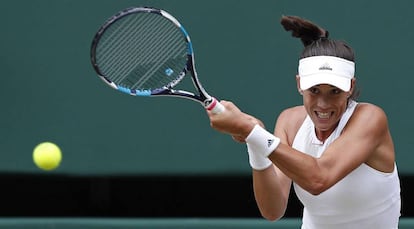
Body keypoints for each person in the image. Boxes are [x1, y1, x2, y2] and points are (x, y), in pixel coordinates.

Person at [207, 15, 401, 228]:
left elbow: (319, 179)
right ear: (299, 84)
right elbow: (273, 210)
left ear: (350, 87)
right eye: (314, 90)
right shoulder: (290, 122)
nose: (323, 104)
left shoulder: (370, 118)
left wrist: (252, 131)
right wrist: (253, 141)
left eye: (334, 91)